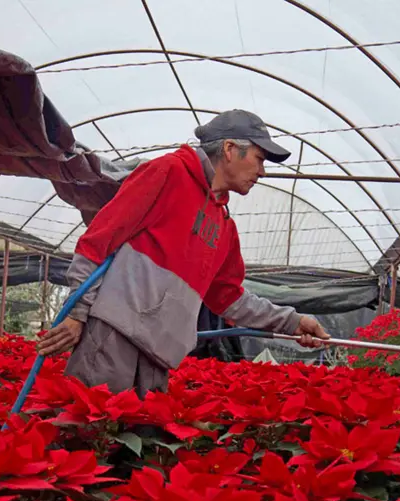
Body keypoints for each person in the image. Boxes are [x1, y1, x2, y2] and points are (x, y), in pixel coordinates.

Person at [36, 109, 329, 397]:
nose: (262, 171)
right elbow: (97, 242)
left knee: (132, 441)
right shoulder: (168, 172)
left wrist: (293, 322)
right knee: (89, 432)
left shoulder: (224, 227)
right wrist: (77, 314)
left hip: (159, 356)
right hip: (113, 338)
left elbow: (229, 299)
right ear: (229, 149)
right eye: (259, 158)